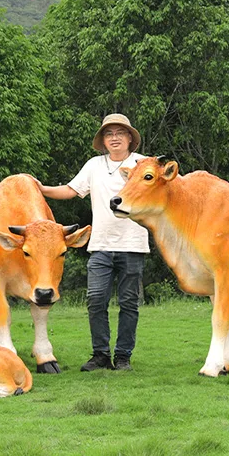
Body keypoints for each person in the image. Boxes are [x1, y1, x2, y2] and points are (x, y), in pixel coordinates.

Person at [35, 114, 149, 371]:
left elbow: (167, 189)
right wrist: (41, 188)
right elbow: (70, 190)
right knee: (96, 299)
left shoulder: (143, 165)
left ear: (130, 137)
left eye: (120, 132)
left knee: (129, 303)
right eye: (109, 134)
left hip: (133, 244)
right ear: (103, 140)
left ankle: (122, 358)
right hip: (99, 245)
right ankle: (100, 355)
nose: (115, 138)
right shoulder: (94, 165)